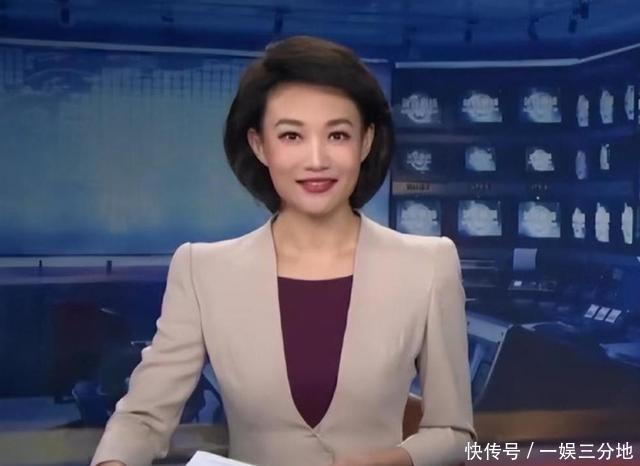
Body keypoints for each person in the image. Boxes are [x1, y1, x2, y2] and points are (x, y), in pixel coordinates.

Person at [91, 35, 476, 466]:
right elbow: (142, 419)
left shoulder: (428, 265)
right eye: (291, 135)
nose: (316, 159)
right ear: (259, 145)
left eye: (338, 134)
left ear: (366, 142)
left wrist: (393, 461)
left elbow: (454, 434)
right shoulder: (203, 270)